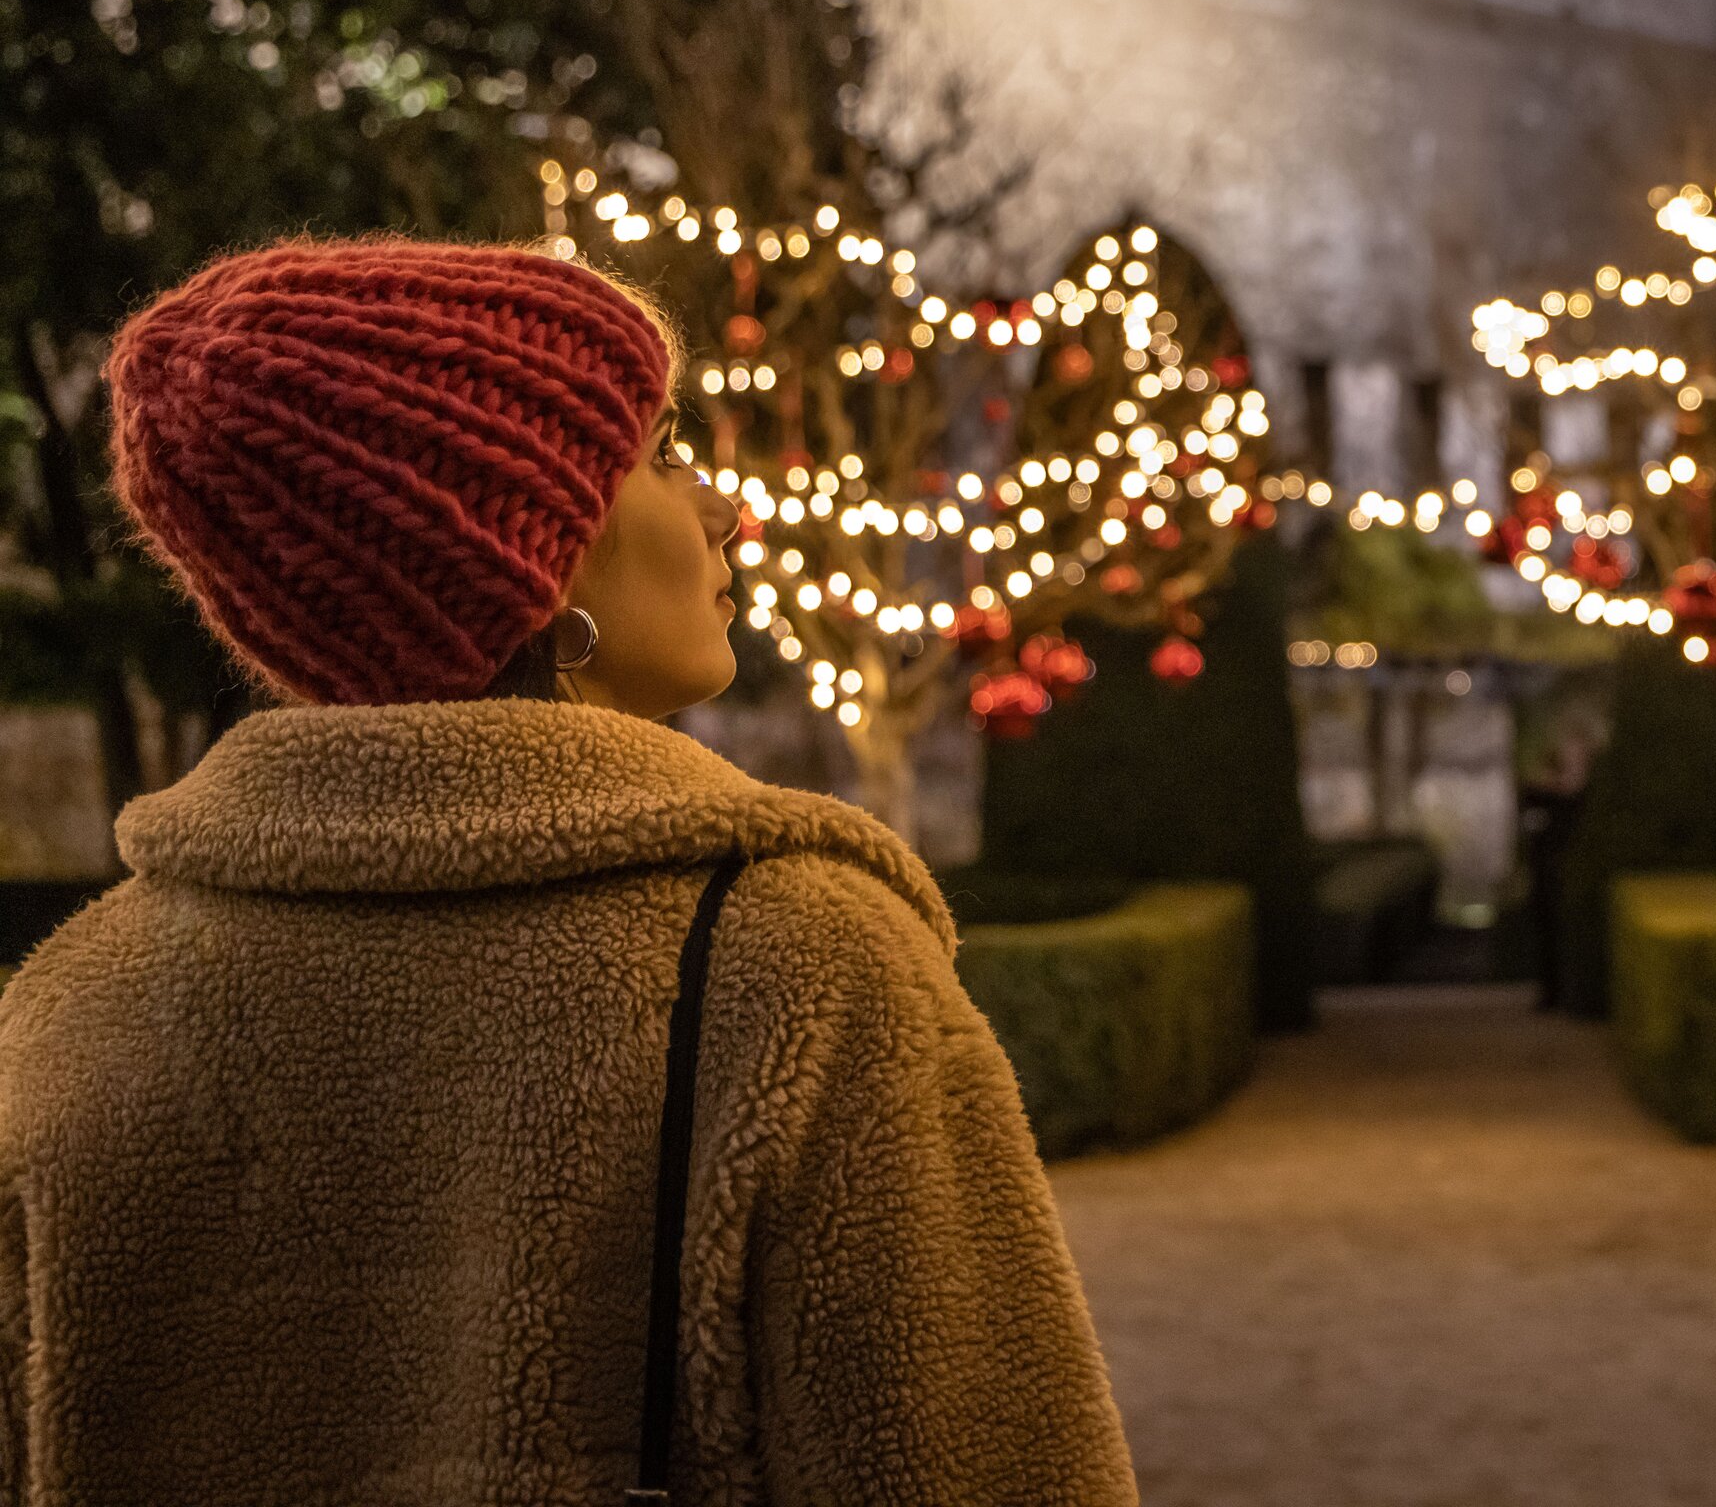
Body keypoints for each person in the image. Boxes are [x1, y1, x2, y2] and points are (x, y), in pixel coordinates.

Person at [0, 240, 1138, 1504]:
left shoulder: (64, 1009)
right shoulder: (799, 959)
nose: (725, 507)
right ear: (530, 559)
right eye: (657, 453)